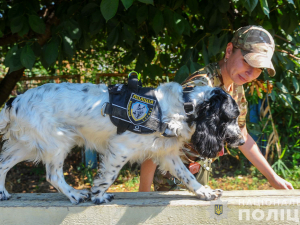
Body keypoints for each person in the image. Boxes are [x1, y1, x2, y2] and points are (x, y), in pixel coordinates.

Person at [139, 25, 294, 192]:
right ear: (229, 51)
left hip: (199, 169)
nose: (250, 73)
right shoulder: (199, 90)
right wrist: (144, 194)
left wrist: (273, 178)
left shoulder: (235, 85)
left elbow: (242, 135)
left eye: (258, 69)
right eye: (247, 61)